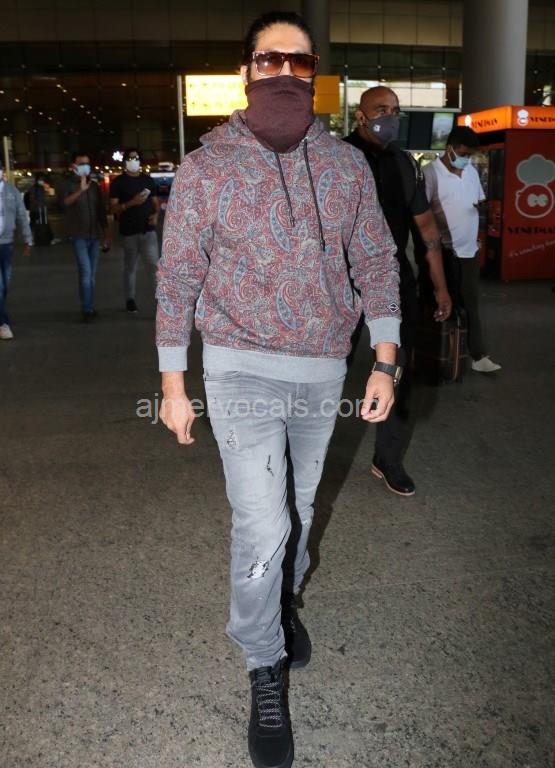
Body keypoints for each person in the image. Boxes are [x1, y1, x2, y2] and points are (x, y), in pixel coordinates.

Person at [156, 12, 401, 768]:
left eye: (300, 62)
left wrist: (384, 361)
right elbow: (178, 277)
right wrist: (173, 381)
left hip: (323, 368)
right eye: (271, 60)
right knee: (262, 524)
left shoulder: (345, 166)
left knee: (298, 511)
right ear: (247, 72)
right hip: (239, 368)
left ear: (315, 72)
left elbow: (376, 260)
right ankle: (263, 664)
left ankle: (283, 602)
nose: (286, 74)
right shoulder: (207, 168)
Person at [344, 87, 452, 496]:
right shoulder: (336, 158)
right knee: (327, 369)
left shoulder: (405, 163)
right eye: (381, 110)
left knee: (398, 370)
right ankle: (303, 455)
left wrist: (440, 287)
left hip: (392, 280)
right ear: (360, 115)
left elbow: (426, 229)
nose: (389, 118)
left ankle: (387, 459)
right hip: (338, 283)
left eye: (395, 110)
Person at [423, 126, 501, 373]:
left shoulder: (471, 173)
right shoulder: (430, 174)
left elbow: (477, 201)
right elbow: (422, 214)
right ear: (450, 149)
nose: (467, 159)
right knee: (440, 303)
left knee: (470, 304)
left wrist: (481, 211)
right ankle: (435, 354)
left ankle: (477, 355)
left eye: (470, 155)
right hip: (443, 253)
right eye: (464, 154)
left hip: (469, 252)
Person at [109, 148, 159, 313]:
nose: (134, 161)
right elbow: (113, 208)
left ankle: (160, 302)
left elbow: (155, 202)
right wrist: (132, 203)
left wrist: (156, 215)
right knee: (130, 267)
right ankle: (130, 299)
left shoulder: (147, 180)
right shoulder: (118, 183)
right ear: (125, 162)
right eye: (130, 159)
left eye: (136, 158)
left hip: (148, 231)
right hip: (129, 232)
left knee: (154, 267)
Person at [62, 152, 110, 322]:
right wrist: (80, 191)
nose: (85, 166)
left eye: (87, 163)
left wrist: (106, 234)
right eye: (81, 163)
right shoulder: (68, 185)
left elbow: (101, 212)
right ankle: (87, 309)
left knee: (90, 275)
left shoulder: (94, 186)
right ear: (73, 166)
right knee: (86, 272)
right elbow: (64, 203)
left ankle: (87, 305)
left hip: (94, 236)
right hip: (79, 236)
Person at [0, 162, 33, 340]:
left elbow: (21, 215)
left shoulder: (11, 192)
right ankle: (3, 323)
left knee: (5, 283)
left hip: (7, 244)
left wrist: (28, 238)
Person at [24, 173, 53, 246]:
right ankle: (31, 238)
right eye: (41, 179)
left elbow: (44, 198)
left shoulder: (42, 188)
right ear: (37, 180)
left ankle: (44, 237)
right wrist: (38, 204)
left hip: (41, 209)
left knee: (41, 223)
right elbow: (32, 198)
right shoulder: (34, 188)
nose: (42, 181)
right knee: (34, 224)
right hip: (36, 210)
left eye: (42, 179)